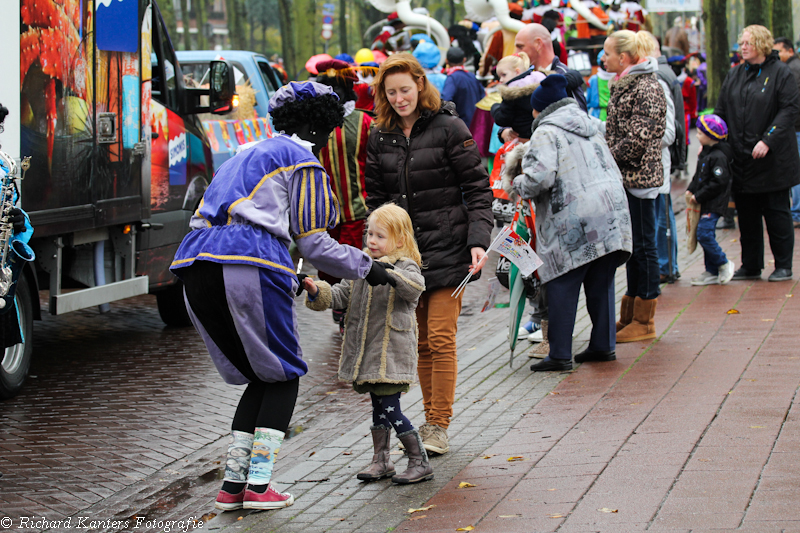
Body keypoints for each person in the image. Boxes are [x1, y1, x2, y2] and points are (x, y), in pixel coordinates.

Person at [170, 82, 397, 512]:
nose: (329, 139)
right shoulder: (302, 160)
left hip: (195, 264)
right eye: (329, 131)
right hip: (249, 265)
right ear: (319, 127)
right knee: (286, 374)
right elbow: (313, 242)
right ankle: (259, 487)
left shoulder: (245, 153)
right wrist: (369, 268)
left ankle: (232, 486)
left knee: (262, 377)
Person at [365, 53, 493, 455]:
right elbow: (376, 199)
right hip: (407, 260)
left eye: (405, 89)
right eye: (391, 92)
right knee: (419, 344)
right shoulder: (379, 135)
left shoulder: (449, 128)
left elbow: (477, 189)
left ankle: (438, 424)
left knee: (440, 337)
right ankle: (430, 418)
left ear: (420, 84)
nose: (400, 98)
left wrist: (478, 240)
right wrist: (379, 245)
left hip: (450, 249)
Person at [508, 75, 632, 371]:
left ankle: (560, 353)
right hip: (612, 211)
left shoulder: (546, 133)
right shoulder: (589, 123)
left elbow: (540, 177)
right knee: (601, 280)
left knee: (562, 281)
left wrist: (516, 183)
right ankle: (604, 345)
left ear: (539, 109)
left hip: (575, 217)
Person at [303, 203, 433, 484]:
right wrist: (317, 290)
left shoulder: (405, 265)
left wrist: (385, 272)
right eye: (369, 234)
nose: (371, 241)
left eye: (379, 236)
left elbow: (413, 288)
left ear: (399, 240)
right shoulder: (360, 266)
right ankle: (381, 460)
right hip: (368, 354)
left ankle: (418, 459)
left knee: (390, 407)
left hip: (391, 354)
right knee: (378, 407)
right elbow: (341, 295)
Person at [716, 25, 800, 282]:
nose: (742, 47)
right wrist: (715, 136)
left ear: (762, 44)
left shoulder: (781, 73)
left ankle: (783, 265)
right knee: (747, 215)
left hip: (771, 160)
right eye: (741, 42)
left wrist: (768, 140)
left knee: (776, 213)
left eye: (747, 43)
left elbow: (789, 109)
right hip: (741, 159)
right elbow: (722, 109)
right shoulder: (735, 74)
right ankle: (751, 264)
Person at [603, 30, 667, 343]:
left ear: (624, 58)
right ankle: (629, 313)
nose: (603, 58)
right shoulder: (625, 83)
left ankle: (645, 319)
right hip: (625, 177)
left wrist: (606, 157)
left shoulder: (648, 86)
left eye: (607, 53)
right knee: (632, 248)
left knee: (644, 246)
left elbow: (641, 136)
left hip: (640, 178)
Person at [315, 60, 375, 332]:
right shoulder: (312, 123)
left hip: (357, 208)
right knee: (327, 266)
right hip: (322, 212)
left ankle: (349, 311)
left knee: (352, 262)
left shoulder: (365, 121)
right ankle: (340, 307)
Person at [686, 115, 736, 285]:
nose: (697, 136)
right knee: (706, 233)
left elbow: (718, 182)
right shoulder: (706, 153)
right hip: (705, 202)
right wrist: (691, 188)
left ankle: (723, 263)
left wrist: (698, 195)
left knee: (704, 234)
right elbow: (698, 175)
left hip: (713, 203)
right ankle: (711, 270)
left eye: (700, 133)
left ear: (710, 136)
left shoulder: (719, 157)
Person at [773, 37, 800, 228]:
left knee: (796, 170)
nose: (776, 55)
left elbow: (791, 103)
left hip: (796, 128)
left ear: (789, 51)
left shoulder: (791, 69)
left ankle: (797, 212)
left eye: (779, 51)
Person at [441, 47, 486, 128]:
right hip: (476, 123)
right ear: (464, 60)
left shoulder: (452, 78)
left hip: (461, 126)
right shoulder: (472, 76)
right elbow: (483, 97)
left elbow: (446, 100)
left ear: (446, 61)